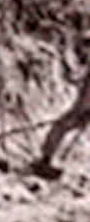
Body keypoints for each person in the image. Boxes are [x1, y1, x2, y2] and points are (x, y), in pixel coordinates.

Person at [32, 28, 90, 179]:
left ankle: (47, 159)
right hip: (84, 107)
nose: (84, 50)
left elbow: (76, 80)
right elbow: (75, 78)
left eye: (86, 45)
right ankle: (50, 160)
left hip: (85, 106)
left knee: (60, 127)